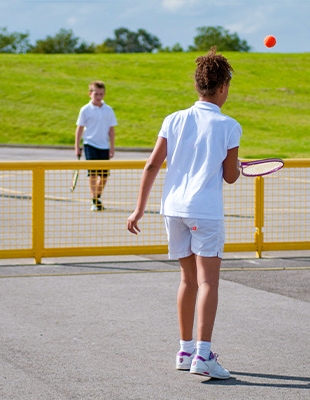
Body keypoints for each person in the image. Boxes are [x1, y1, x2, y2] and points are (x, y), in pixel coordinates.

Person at [127, 48, 242, 380]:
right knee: (208, 282)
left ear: (198, 85)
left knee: (187, 280)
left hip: (172, 210)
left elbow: (151, 165)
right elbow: (230, 175)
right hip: (204, 212)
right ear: (222, 87)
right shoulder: (229, 125)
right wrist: (238, 166)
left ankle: (184, 350)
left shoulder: (173, 119)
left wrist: (138, 209)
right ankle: (203, 356)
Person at [75, 81, 117, 211]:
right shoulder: (85, 110)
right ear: (90, 94)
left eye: (101, 94)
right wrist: (77, 146)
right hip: (90, 144)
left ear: (104, 94)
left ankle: (97, 197)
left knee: (104, 175)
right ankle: (94, 200)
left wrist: (112, 147)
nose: (98, 97)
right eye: (96, 94)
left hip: (104, 146)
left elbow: (111, 130)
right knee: (93, 174)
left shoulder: (108, 110)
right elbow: (80, 128)